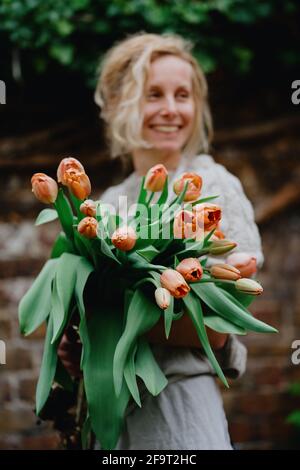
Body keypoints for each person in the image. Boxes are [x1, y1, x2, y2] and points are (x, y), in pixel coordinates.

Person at [58, 32, 264, 450]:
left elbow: (215, 329)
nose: (170, 110)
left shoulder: (214, 188)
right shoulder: (104, 205)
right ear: (117, 105)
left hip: (178, 415)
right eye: (153, 94)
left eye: (182, 95)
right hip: (107, 422)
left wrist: (104, 322)